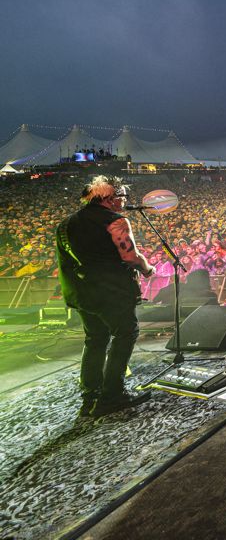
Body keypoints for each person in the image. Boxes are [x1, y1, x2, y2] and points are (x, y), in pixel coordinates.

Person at [55, 176, 153, 418]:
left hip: (81, 293)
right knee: (125, 333)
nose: (123, 202)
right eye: (121, 197)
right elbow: (130, 256)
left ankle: (90, 395)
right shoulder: (116, 221)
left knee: (95, 338)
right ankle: (112, 395)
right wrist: (147, 268)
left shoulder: (65, 224)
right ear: (109, 199)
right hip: (112, 292)